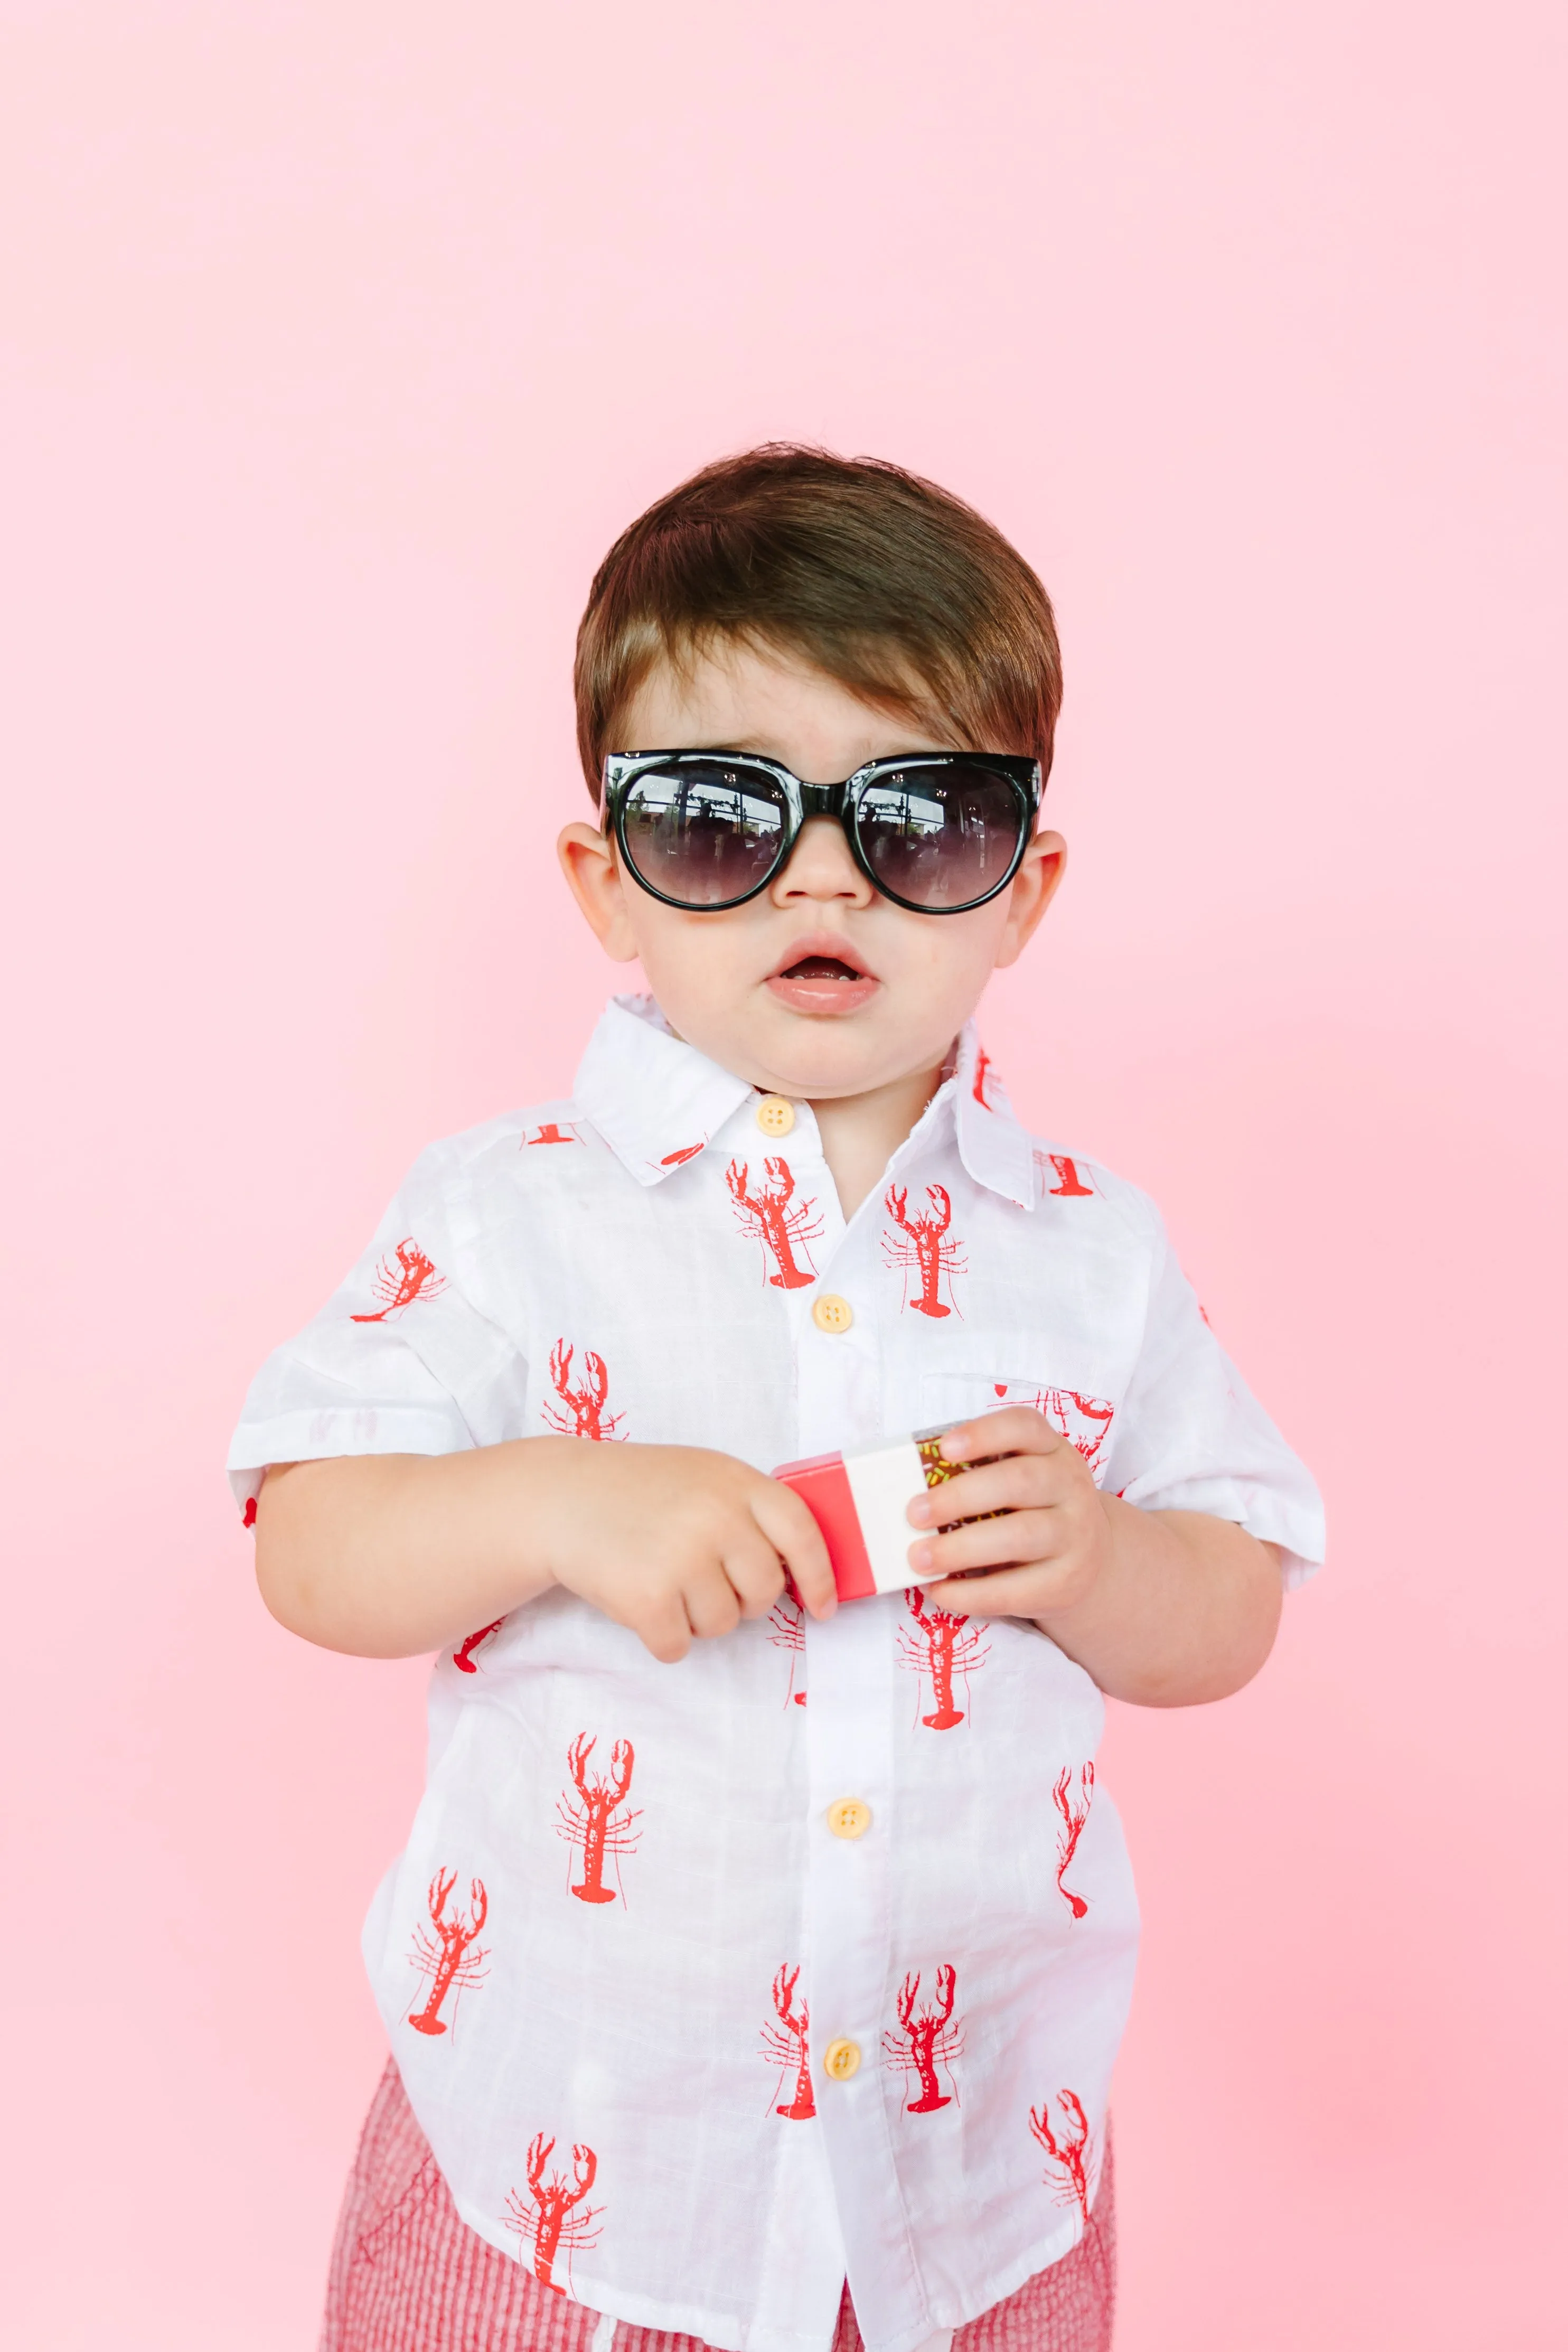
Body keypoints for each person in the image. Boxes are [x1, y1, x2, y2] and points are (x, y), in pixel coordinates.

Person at [233, 445, 1323, 2352]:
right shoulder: (510, 1211)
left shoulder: (1095, 1252)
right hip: (573, 2152)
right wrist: (555, 1498)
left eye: (922, 819)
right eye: (727, 818)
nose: (826, 870)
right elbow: (310, 1538)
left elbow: (1230, 1598)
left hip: (970, 2174)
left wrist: (1101, 1553)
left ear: (1024, 888)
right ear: (610, 881)